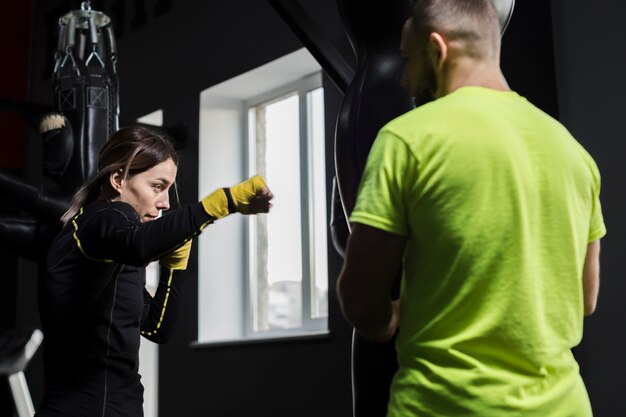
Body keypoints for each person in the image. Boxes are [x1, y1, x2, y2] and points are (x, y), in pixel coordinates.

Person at [336, 0, 606, 415]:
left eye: (409, 61)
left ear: (438, 49)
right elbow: (586, 298)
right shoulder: (574, 153)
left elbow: (359, 296)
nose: (406, 80)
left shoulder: (405, 139)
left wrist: (388, 318)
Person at [35, 126, 273, 417]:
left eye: (169, 189)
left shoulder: (107, 248)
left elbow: (155, 326)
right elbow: (138, 244)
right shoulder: (107, 216)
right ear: (118, 180)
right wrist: (223, 202)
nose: (166, 203)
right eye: (157, 186)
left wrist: (175, 266)